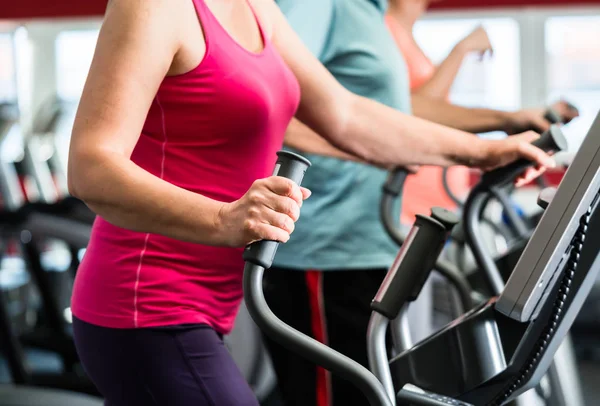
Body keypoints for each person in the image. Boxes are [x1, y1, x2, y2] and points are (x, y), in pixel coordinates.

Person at [67, 0, 554, 405]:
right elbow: (91, 166)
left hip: (210, 305)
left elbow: (346, 115)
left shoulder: (256, 7)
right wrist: (224, 217)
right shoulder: (156, 6)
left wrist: (487, 150)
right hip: (145, 305)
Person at [261, 1, 571, 406]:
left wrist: (496, 131)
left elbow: (396, 111)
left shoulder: (371, 15)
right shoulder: (320, 5)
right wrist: (379, 151)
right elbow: (280, 102)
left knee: (376, 389)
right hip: (324, 243)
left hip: (372, 236)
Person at [385, 0, 579, 224]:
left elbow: (434, 111)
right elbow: (407, 111)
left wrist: (512, 119)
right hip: (405, 206)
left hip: (435, 204)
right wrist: (461, 49)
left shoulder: (406, 35)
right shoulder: (385, 30)